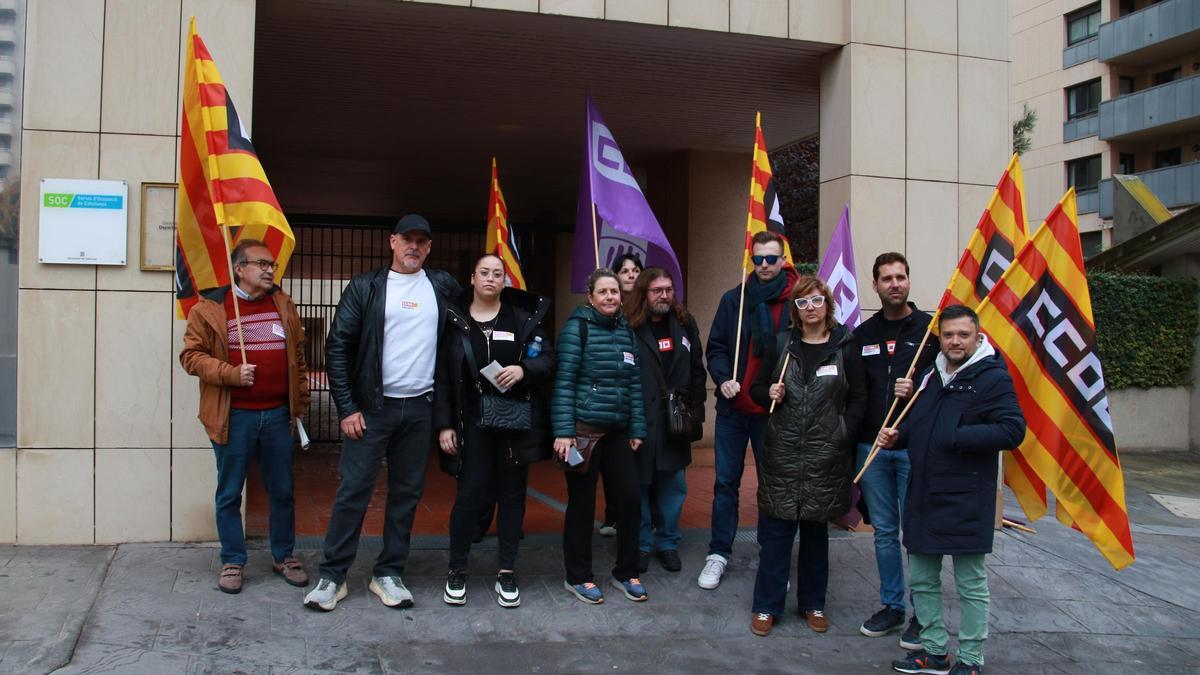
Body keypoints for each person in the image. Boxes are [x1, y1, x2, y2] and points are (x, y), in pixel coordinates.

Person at [304, 214, 461, 612]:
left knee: (407, 494)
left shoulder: (442, 287)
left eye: (422, 241)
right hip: (372, 409)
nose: (414, 247)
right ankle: (333, 575)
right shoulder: (366, 287)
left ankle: (388, 572)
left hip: (420, 407)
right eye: (407, 239)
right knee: (353, 490)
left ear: (429, 247)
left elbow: (469, 328)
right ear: (392, 242)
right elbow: (338, 347)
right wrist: (347, 407)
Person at [879, 305, 1024, 675]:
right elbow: (919, 422)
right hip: (925, 494)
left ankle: (971, 659)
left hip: (965, 499)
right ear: (939, 338)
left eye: (963, 334)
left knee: (970, 585)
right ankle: (934, 651)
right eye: (948, 335)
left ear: (978, 337)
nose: (955, 341)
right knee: (923, 581)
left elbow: (1012, 430)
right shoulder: (932, 374)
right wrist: (898, 437)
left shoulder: (992, 377)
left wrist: (956, 437)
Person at [180, 238, 310, 594]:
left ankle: (284, 555)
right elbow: (191, 357)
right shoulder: (209, 308)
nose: (270, 269)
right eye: (262, 264)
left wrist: (301, 401)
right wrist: (229, 373)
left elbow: (297, 355)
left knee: (282, 490)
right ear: (240, 269)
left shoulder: (282, 303)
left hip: (277, 416)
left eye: (272, 265)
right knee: (229, 492)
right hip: (234, 417)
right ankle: (233, 560)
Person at [434, 254, 556, 608]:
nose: (490, 278)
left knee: (513, 498)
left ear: (506, 281)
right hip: (471, 422)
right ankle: (457, 570)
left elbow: (549, 359)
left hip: (514, 421)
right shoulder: (453, 320)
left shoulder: (522, 317)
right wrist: (444, 425)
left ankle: (506, 571)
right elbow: (442, 376)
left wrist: (523, 370)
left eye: (497, 274)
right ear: (472, 278)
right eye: (484, 272)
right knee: (468, 497)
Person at [747, 276, 866, 637]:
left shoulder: (844, 345)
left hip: (825, 457)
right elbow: (755, 388)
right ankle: (766, 606)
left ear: (827, 304)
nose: (810, 308)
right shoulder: (783, 344)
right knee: (776, 536)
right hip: (782, 456)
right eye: (802, 303)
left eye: (815, 301)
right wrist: (768, 392)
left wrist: (844, 433)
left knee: (816, 537)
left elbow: (860, 397)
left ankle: (814, 604)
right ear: (795, 311)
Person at [700, 230, 799, 589]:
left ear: (783, 259)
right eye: (758, 259)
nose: (764, 266)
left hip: (774, 410)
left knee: (772, 487)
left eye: (771, 259)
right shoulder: (735, 300)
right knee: (725, 483)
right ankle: (718, 554)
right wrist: (723, 377)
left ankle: (771, 558)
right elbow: (716, 348)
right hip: (733, 411)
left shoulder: (796, 300)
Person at [854, 252, 939, 648]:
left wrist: (918, 386)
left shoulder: (931, 331)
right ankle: (892, 606)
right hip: (872, 447)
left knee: (916, 532)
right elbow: (854, 392)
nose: (894, 284)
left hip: (912, 448)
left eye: (900, 277)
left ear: (909, 281)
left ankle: (924, 614)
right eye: (886, 278)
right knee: (884, 532)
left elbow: (949, 384)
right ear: (875, 285)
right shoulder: (863, 334)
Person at [552, 268, 647, 604]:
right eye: (603, 292)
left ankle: (626, 572)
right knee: (582, 505)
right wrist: (563, 431)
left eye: (615, 292)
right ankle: (578, 577)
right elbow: (563, 382)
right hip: (583, 433)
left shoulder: (627, 332)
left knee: (630, 501)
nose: (610, 297)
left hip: (618, 431)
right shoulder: (576, 329)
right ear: (590, 297)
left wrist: (637, 427)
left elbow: (633, 383)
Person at [624, 267, 706, 574]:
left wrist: (697, 407)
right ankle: (643, 544)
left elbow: (698, 368)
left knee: (673, 485)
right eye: (657, 290)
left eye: (668, 289)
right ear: (644, 293)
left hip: (676, 420)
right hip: (640, 419)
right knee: (640, 486)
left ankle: (668, 543)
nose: (664, 295)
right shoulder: (628, 326)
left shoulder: (685, 323)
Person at [597, 251, 644, 537]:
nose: (630, 275)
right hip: (608, 400)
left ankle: (634, 522)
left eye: (635, 270)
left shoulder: (645, 306)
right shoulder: (608, 312)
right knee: (610, 464)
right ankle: (612, 514)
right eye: (624, 270)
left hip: (635, 394)